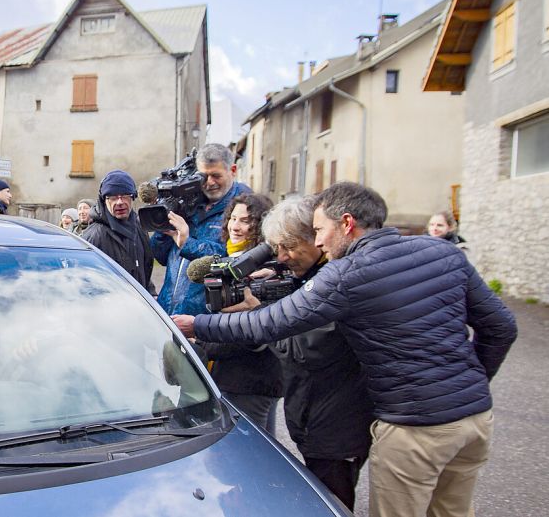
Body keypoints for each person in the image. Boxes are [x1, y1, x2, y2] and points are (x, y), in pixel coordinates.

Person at [172, 182, 517, 517]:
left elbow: (270, 323)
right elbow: (502, 327)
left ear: (347, 223)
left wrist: (197, 325)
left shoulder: (347, 273)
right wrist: (469, 383)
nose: (319, 241)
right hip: (474, 420)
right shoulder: (442, 251)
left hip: (414, 428)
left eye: (320, 230)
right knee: (452, 511)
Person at [257, 195, 375, 510]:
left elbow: (302, 350)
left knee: (332, 503)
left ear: (317, 238)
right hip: (319, 422)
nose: (282, 257)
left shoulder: (334, 285)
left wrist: (262, 313)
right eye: (277, 248)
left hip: (336, 429)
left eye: (289, 246)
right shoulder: (310, 278)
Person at [193, 193, 282, 435]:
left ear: (261, 226)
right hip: (239, 377)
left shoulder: (266, 269)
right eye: (233, 218)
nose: (235, 226)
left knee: (251, 446)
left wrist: (201, 339)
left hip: (251, 379)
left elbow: (254, 331)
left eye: (245, 221)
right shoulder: (231, 258)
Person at [151, 144, 252, 316]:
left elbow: (235, 259)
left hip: (206, 319)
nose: (210, 183)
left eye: (216, 176)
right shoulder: (186, 202)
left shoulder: (243, 210)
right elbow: (161, 257)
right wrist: (163, 227)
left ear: (233, 170)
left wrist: (187, 243)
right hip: (168, 312)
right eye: (203, 176)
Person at [82, 170, 155, 294]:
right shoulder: (94, 236)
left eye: (125, 196)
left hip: (138, 303)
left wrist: (151, 292)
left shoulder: (139, 227)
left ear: (132, 197)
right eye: (113, 197)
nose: (120, 202)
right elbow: (85, 281)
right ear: (104, 200)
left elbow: (144, 267)